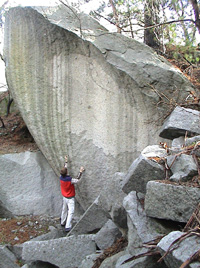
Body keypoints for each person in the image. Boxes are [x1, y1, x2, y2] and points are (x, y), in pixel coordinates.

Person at [60, 156, 85, 232]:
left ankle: (62, 222)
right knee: (71, 211)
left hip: (64, 197)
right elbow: (77, 180)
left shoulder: (61, 177)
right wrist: (81, 171)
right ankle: (67, 226)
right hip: (70, 198)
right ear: (66, 173)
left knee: (64, 209)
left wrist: (66, 161)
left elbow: (64, 169)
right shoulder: (69, 180)